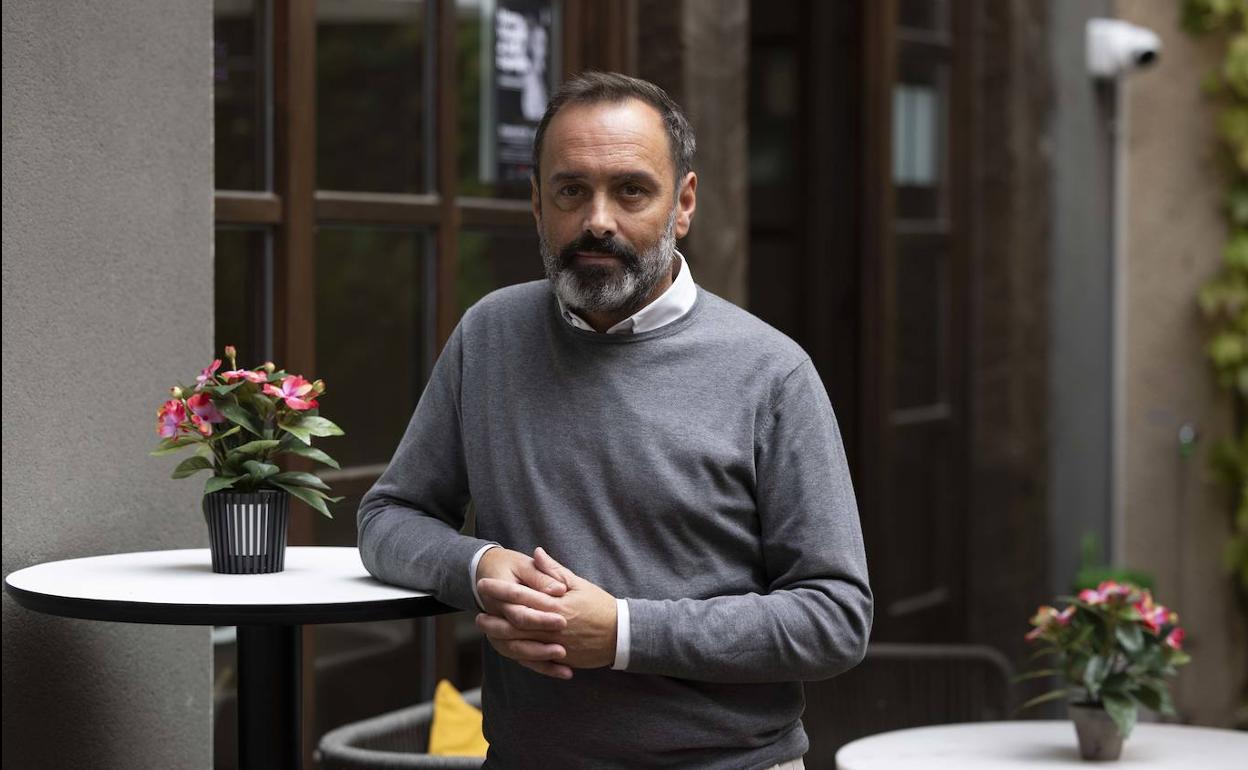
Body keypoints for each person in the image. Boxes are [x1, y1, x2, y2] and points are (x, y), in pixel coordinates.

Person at [359, 71, 872, 770]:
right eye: (571, 191)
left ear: (682, 204)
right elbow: (388, 518)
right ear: (538, 206)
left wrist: (624, 632)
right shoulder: (490, 336)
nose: (597, 219)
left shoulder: (771, 373)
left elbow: (835, 619)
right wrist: (478, 565)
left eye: (631, 190)